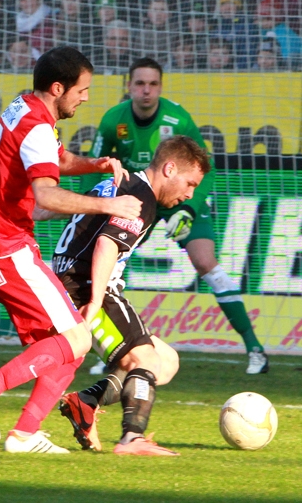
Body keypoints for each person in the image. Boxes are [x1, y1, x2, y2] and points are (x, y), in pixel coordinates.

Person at [0, 46, 142, 454]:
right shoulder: (38, 128)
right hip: (8, 248)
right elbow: (46, 194)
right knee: (78, 338)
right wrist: (110, 204)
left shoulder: (24, 107)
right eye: (82, 89)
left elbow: (56, 160)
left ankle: (25, 434)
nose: (86, 97)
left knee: (68, 347)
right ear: (58, 88)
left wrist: (97, 164)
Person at [81, 57, 269, 375]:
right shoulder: (114, 120)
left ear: (160, 87)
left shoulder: (178, 119)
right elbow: (95, 165)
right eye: (140, 84)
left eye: (153, 84)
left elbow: (204, 171)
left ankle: (255, 349)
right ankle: (113, 352)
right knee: (107, 268)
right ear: (128, 87)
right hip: (140, 198)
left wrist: (187, 208)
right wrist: (91, 204)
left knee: (206, 263)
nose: (146, 91)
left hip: (179, 199)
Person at [53, 135, 209, 456]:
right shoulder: (142, 197)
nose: (190, 194)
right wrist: (95, 301)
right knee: (145, 359)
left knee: (165, 362)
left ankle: (86, 402)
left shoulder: (121, 183)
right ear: (169, 168)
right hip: (85, 287)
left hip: (70, 280)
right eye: (189, 183)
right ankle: (131, 439)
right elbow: (107, 243)